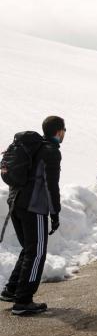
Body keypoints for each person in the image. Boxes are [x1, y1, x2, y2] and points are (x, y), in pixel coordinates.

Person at [0, 116, 65, 315]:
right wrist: (55, 213)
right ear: (58, 131)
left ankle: (11, 290)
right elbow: (50, 185)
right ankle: (23, 301)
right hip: (33, 207)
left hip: (16, 203)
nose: (64, 134)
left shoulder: (34, 147)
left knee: (29, 249)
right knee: (37, 253)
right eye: (64, 130)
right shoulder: (51, 152)